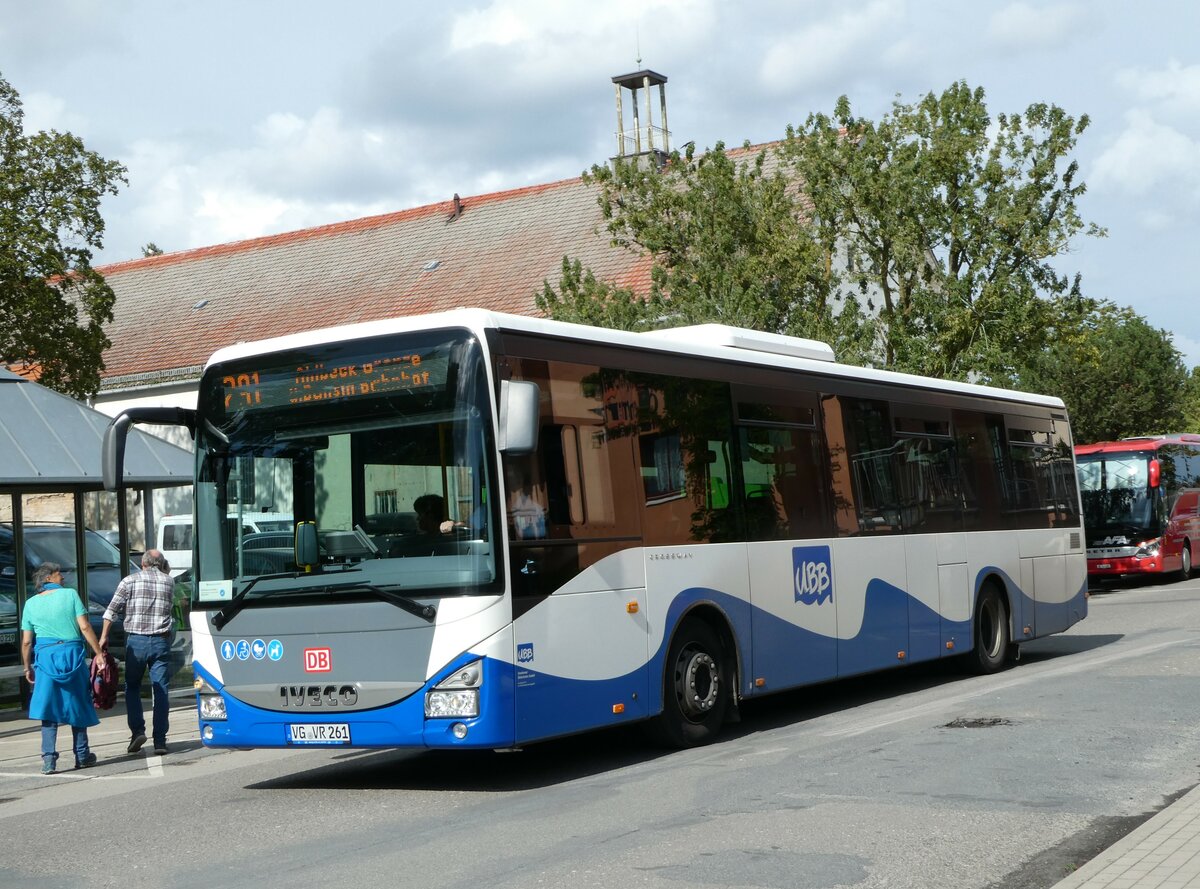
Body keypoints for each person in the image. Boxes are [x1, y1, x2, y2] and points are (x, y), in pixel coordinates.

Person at [20, 562, 107, 774]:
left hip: (46, 658)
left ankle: (49, 760)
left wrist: (26, 667)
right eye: (59, 574)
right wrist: (98, 654)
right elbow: (85, 627)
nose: (63, 578)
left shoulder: (30, 604)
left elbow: (26, 642)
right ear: (48, 578)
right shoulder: (70, 595)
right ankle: (82, 755)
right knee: (77, 702)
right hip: (71, 655)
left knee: (48, 709)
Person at [100, 549, 174, 756]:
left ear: (143, 563)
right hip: (160, 641)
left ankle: (137, 732)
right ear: (161, 564)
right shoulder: (169, 582)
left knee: (132, 687)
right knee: (160, 690)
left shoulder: (129, 581)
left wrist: (104, 636)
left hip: (136, 641)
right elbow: (166, 573)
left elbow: (111, 611)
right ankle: (160, 740)